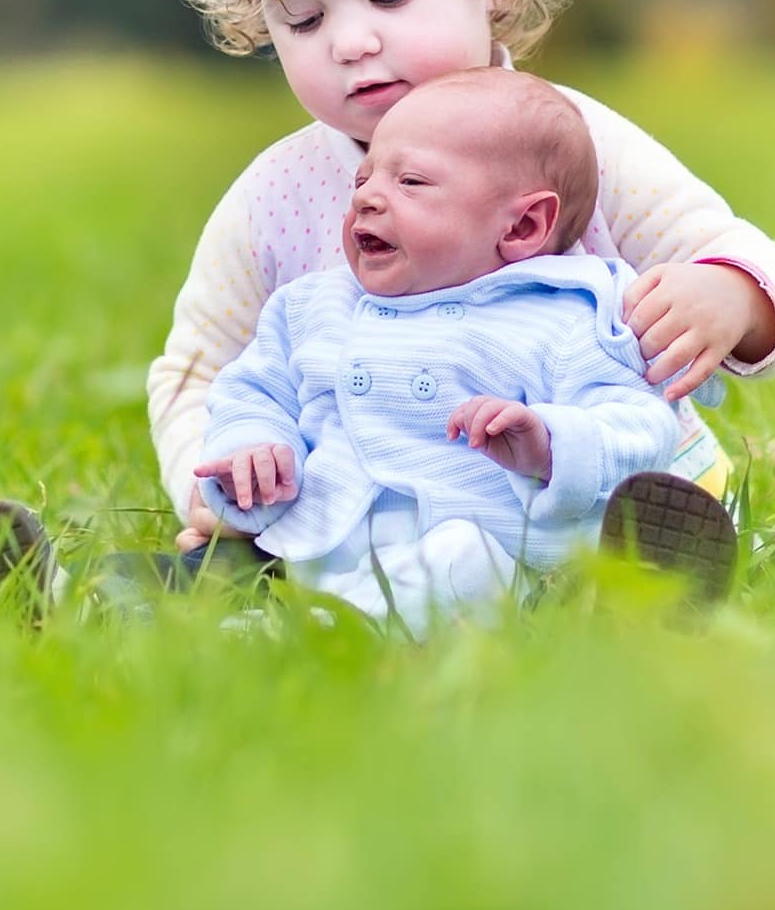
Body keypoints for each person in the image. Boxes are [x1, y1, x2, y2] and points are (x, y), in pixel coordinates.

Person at [149, 0, 775, 574]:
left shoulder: (576, 143)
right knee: (226, 579)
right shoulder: (277, 198)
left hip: (570, 508)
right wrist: (214, 483)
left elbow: (742, 255)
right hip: (357, 528)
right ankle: (56, 591)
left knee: (621, 552)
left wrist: (730, 296)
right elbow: (197, 369)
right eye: (303, 19)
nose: (351, 41)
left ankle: (655, 578)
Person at [193, 67, 677, 636]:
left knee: (466, 561)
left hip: (477, 550)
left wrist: (549, 442)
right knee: (204, 571)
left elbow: (642, 429)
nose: (368, 198)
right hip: (314, 540)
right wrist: (252, 446)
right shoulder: (312, 306)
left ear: (522, 225)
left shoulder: (562, 315)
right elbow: (253, 390)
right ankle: (107, 601)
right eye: (363, 179)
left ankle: (325, 632)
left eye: (412, 183)